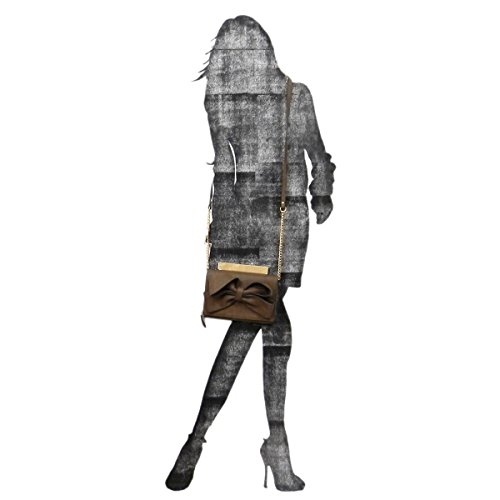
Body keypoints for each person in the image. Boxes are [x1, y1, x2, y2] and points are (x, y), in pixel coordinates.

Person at [166, 15, 336, 492]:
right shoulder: (291, 95)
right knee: (263, 326)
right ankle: (257, 444)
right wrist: (321, 194)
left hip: (248, 227)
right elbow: (315, 157)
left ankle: (203, 442)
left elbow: (242, 165)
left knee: (259, 321)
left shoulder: (230, 98)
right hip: (277, 228)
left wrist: (319, 189)